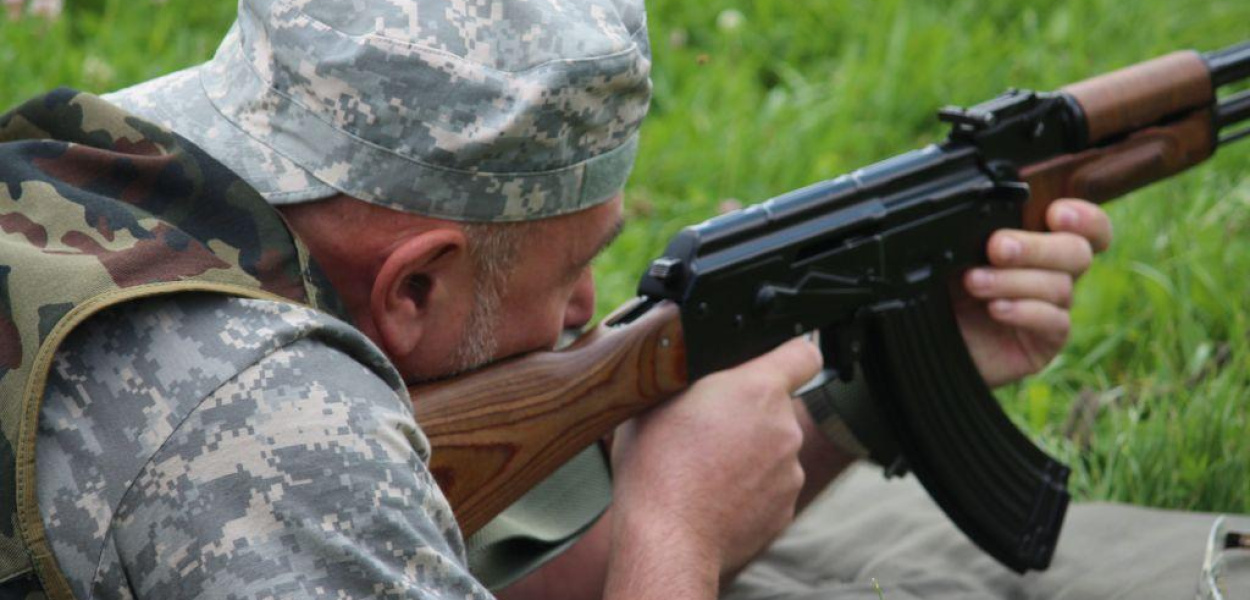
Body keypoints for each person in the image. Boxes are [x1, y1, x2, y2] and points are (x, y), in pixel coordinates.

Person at [0, 1, 1232, 599]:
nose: (589, 308)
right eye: (570, 273)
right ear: (414, 284)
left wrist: (862, 397)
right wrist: (670, 534)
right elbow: (332, 496)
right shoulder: (278, 439)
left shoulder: (89, 186)